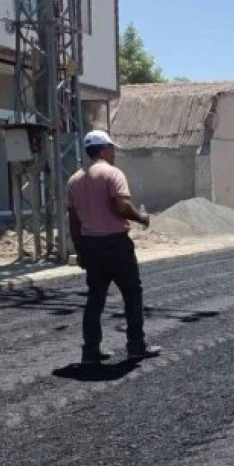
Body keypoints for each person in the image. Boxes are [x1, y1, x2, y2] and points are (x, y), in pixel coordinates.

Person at [66, 130, 161, 364]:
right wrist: (141, 217)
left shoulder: (74, 180)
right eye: (111, 148)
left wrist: (80, 251)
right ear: (102, 149)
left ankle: (90, 352)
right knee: (132, 294)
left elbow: (74, 221)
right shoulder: (112, 174)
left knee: (95, 299)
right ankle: (136, 347)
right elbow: (121, 207)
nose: (114, 152)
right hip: (116, 244)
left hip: (90, 245)